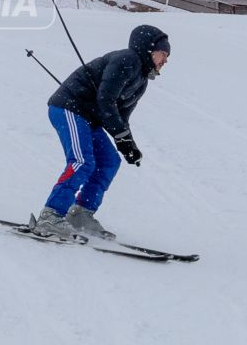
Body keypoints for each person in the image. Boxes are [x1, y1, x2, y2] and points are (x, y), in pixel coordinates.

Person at [30, 23, 171, 240]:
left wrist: (128, 146)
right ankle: (51, 215)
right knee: (82, 161)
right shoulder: (127, 60)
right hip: (69, 108)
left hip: (88, 118)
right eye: (163, 54)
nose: (165, 60)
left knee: (109, 162)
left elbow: (121, 117)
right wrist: (122, 139)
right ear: (148, 50)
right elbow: (106, 100)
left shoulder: (141, 80)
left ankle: (81, 213)